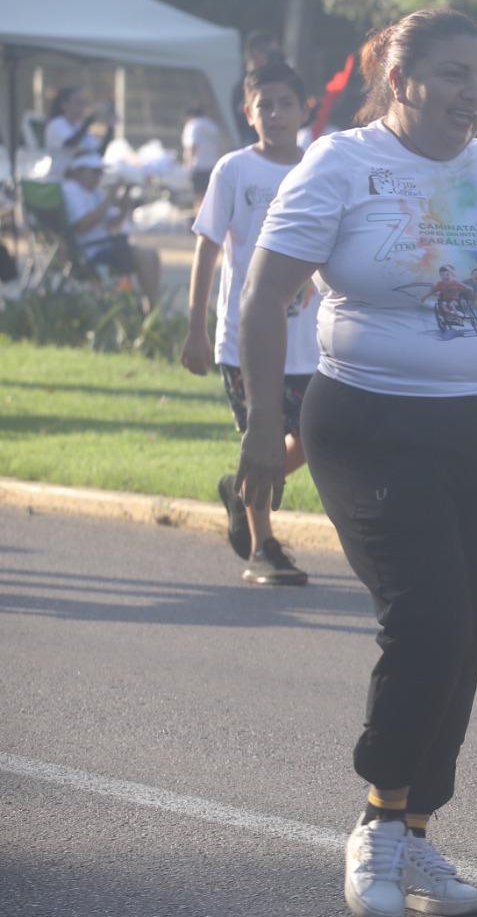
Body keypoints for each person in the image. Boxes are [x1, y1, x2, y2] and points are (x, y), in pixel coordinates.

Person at [235, 8, 477, 917]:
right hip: (370, 425)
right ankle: (376, 823)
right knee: (429, 617)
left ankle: (416, 834)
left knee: (467, 632)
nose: (472, 96)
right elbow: (265, 292)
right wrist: (258, 426)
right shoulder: (342, 164)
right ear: (399, 81)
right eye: (452, 75)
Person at [181, 62, 318, 585]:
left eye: (286, 104)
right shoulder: (233, 170)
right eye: (266, 105)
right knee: (259, 435)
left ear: (304, 110)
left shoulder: (319, 168)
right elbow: (208, 247)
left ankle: (240, 488)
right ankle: (264, 548)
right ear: (248, 112)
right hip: (245, 342)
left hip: (311, 341)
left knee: (315, 436)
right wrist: (196, 328)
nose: (276, 114)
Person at [59, 151, 161, 308]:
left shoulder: (94, 192)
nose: (98, 176)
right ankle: (153, 309)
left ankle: (150, 308)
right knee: (146, 257)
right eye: (94, 172)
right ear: (78, 170)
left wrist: (125, 198)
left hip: (106, 244)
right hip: (89, 250)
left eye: (100, 172)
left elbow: (114, 224)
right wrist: (108, 200)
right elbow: (81, 225)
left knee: (151, 255)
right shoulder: (71, 190)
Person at [43, 86, 110, 182]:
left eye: (83, 103)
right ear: (64, 105)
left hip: (82, 185)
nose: (82, 107)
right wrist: (90, 120)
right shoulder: (56, 124)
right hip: (61, 181)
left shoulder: (79, 127)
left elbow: (98, 153)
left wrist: (110, 129)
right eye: (78, 103)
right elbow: (70, 144)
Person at [231, 29, 283, 143]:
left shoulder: (282, 83)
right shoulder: (241, 89)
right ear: (255, 53)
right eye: (271, 54)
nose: (275, 59)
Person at [181, 103, 225, 202]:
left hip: (198, 167)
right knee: (211, 196)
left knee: (199, 197)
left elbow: (193, 145)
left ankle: (200, 216)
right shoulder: (212, 125)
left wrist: (187, 164)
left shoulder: (193, 125)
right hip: (212, 165)